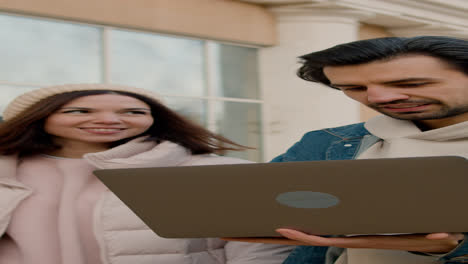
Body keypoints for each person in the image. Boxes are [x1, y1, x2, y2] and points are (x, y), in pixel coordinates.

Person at [227, 36, 468, 264]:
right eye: (353, 88)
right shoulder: (326, 142)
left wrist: (454, 248)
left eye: (410, 83)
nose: (377, 98)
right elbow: (252, 209)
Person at [0, 83, 294, 264]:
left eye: (134, 111)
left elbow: (260, 248)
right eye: (79, 111)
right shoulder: (8, 171)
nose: (109, 120)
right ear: (37, 117)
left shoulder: (216, 172)